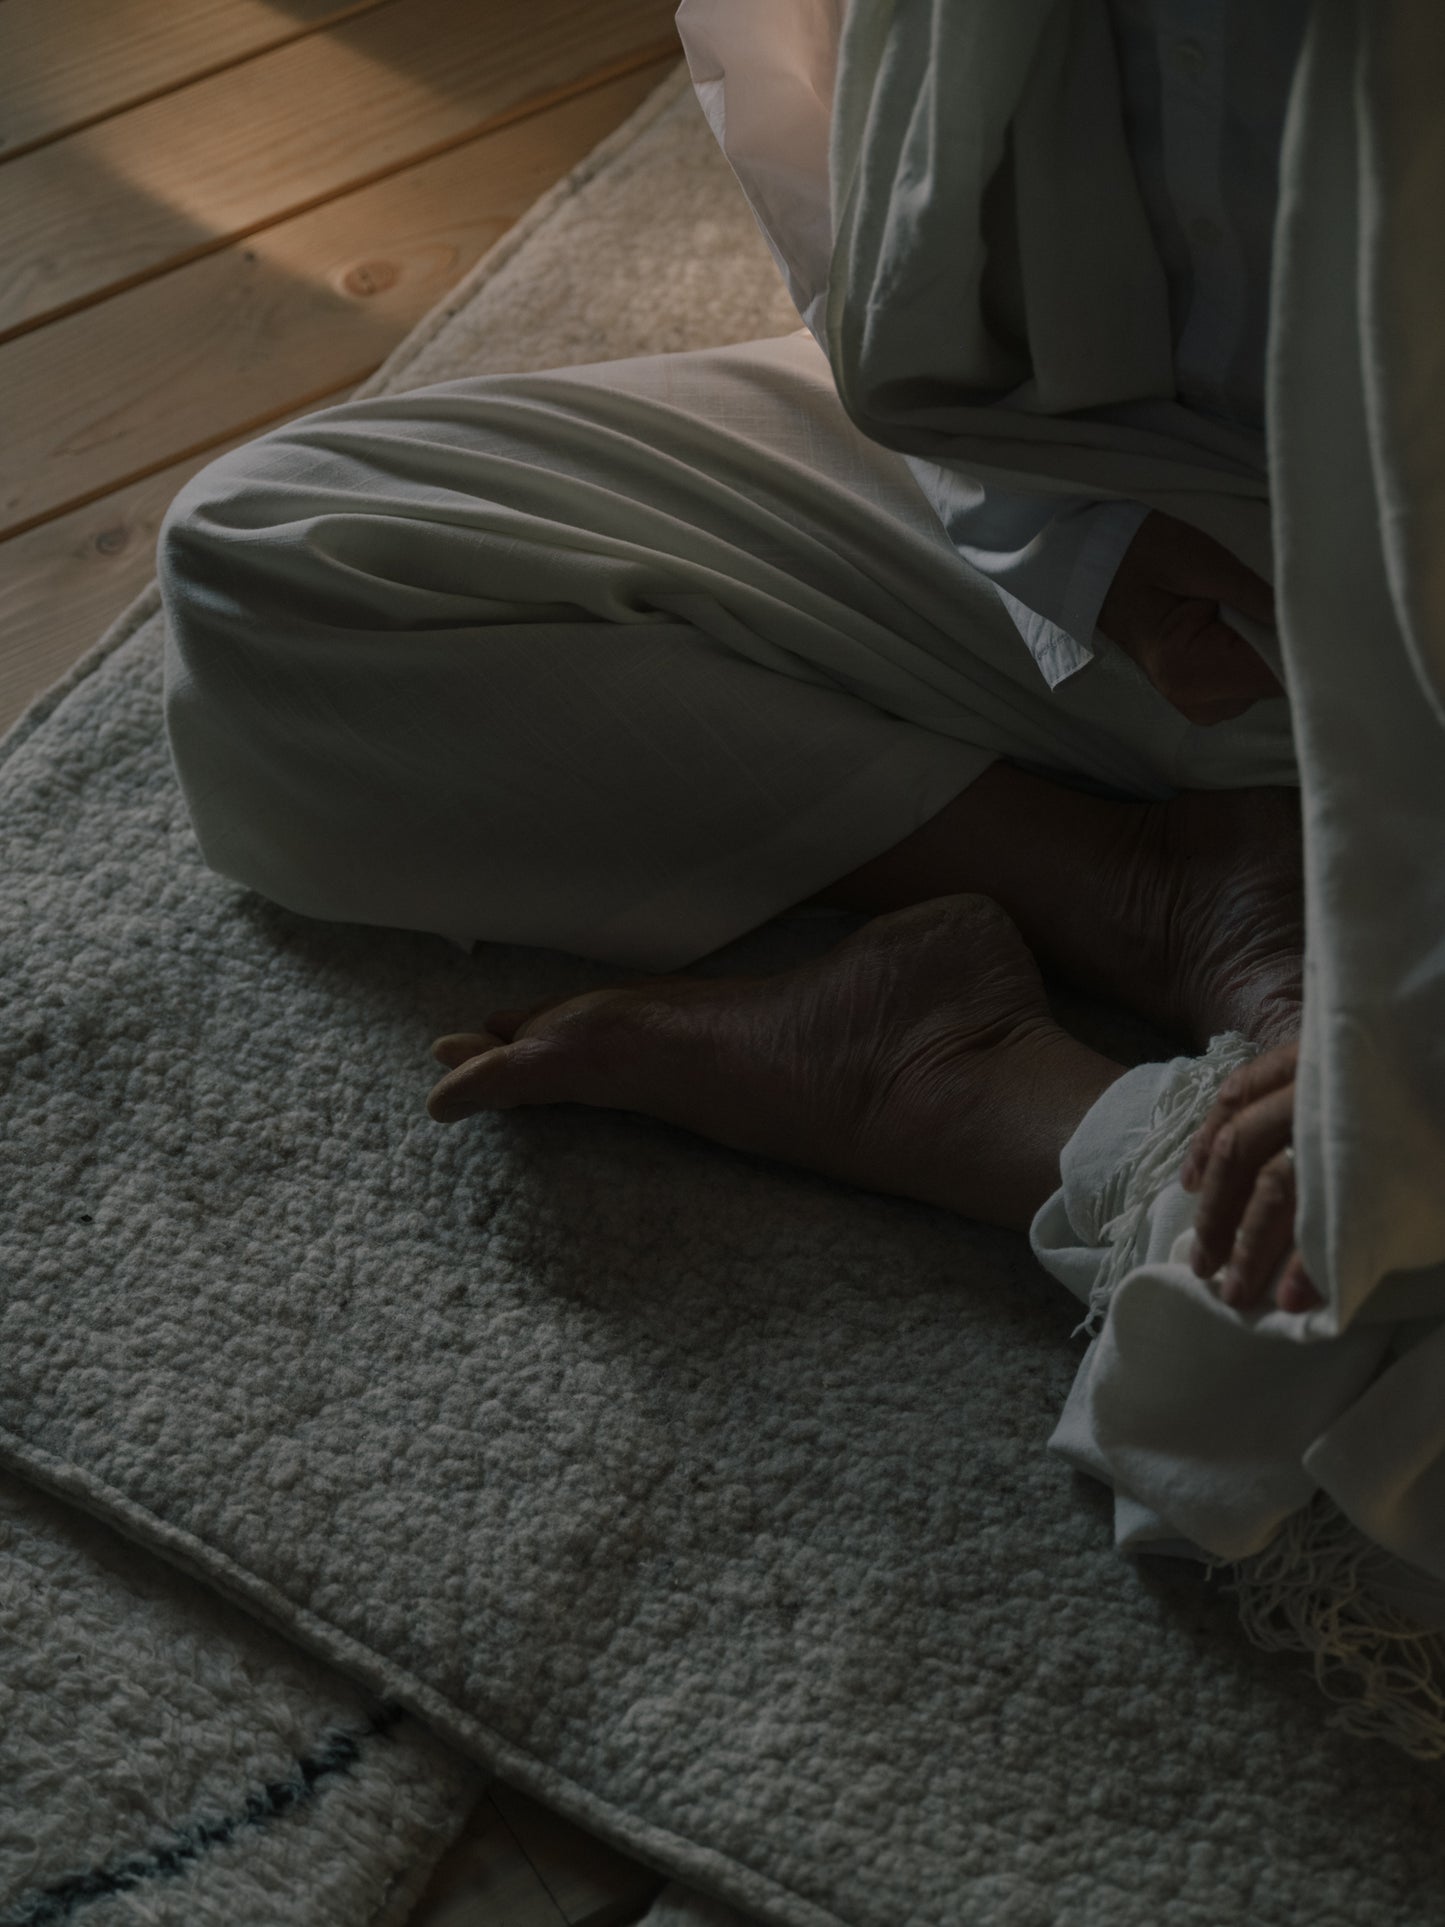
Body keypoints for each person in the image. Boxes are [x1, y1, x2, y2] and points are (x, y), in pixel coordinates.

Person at [159, 0, 1445, 1696]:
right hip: (1171, 546)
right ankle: (1146, 889)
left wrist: (1417, 1059)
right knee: (282, 559)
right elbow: (848, 147)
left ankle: (987, 1100)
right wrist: (1066, 529)